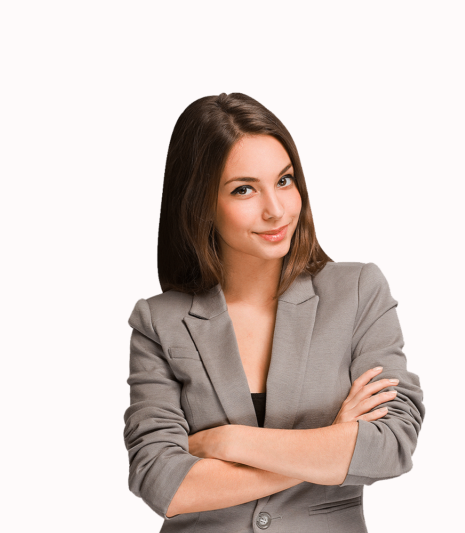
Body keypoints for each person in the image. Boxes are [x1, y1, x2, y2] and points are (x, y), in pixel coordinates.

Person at [123, 93, 425, 532]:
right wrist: (330, 444)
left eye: (284, 180)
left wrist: (228, 441)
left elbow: (391, 446)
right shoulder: (160, 322)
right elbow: (163, 483)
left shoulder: (358, 292)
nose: (276, 210)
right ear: (200, 204)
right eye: (243, 189)